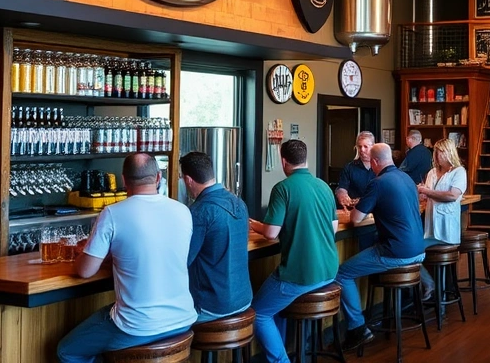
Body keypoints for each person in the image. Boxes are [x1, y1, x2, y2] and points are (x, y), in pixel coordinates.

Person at [57, 154, 196, 363]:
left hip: (137, 326)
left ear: (124, 180)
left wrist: (82, 252)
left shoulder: (113, 213)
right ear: (158, 177)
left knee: (67, 351)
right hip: (183, 319)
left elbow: (85, 271)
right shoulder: (183, 211)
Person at [249, 140, 339, 363]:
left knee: (259, 313)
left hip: (301, 274)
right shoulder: (324, 186)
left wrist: (253, 224)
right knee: (274, 306)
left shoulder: (283, 188)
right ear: (306, 159)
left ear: (283, 161)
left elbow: (270, 233)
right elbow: (333, 228)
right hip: (328, 270)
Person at [336, 143, 426, 351]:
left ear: (375, 162)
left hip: (396, 252)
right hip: (419, 252)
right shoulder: (407, 179)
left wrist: (353, 209)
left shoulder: (378, 183)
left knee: (341, 274)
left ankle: (357, 328)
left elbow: (356, 219)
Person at [180, 151, 252, 323]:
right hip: (244, 299)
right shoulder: (239, 203)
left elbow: (182, 261)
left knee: (160, 323)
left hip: (212, 306)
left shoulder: (199, 212)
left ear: (189, 180)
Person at [417, 138, 467, 299]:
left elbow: (452, 195)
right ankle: (431, 284)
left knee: (411, 252)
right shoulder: (432, 172)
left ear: (450, 152)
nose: (437, 155)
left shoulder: (459, 172)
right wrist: (422, 195)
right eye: (436, 151)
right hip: (430, 229)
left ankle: (433, 287)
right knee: (410, 251)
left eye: (441, 151)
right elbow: (428, 195)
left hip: (447, 232)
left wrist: (427, 192)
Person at [336, 131, 376, 209]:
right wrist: (342, 195)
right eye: (359, 146)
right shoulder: (349, 167)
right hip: (355, 210)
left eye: (365, 146)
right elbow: (342, 188)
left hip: (376, 210)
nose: (362, 150)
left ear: (373, 147)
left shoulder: (380, 166)